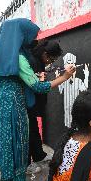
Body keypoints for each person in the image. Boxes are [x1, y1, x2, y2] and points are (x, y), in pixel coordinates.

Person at [0, 18, 76, 181]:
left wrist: (29, 78)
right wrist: (64, 77)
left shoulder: (0, 55)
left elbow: (12, 78)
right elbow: (38, 87)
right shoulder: (19, 56)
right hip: (14, 107)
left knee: (5, 143)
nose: (33, 40)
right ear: (20, 35)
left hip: (0, 105)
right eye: (30, 35)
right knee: (18, 143)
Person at [25, 40, 63, 174]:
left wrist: (43, 74)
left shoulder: (36, 59)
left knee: (34, 130)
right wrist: (64, 77)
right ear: (45, 54)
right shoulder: (33, 61)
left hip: (31, 104)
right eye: (51, 59)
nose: (51, 62)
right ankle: (26, 165)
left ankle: (39, 156)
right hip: (27, 104)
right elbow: (37, 87)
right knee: (29, 133)